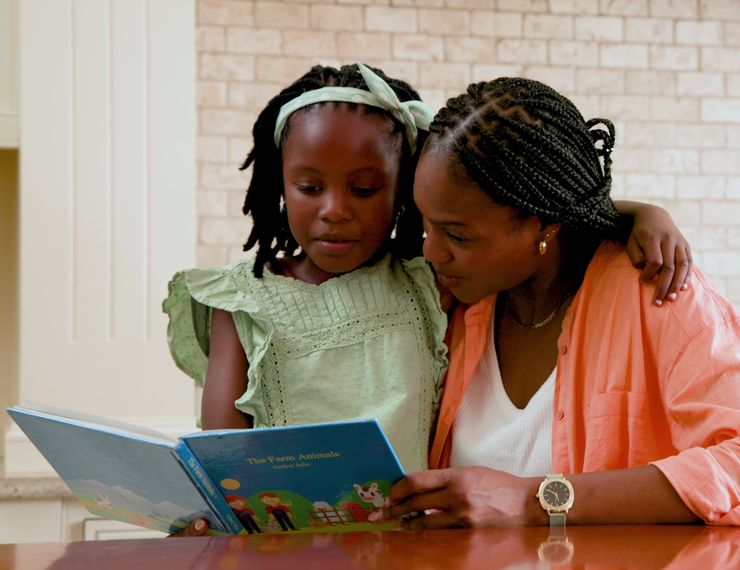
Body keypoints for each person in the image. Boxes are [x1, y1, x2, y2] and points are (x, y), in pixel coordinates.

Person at [163, 64, 694, 477]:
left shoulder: (428, 278)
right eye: (309, 187)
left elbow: (519, 212)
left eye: (365, 189)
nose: (334, 209)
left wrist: (634, 213)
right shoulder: (240, 299)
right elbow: (223, 460)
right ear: (278, 184)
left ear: (405, 191)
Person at [383, 77, 740, 527]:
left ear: (544, 225)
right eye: (428, 226)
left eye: (457, 236)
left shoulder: (658, 292)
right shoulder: (450, 304)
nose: (431, 251)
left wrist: (536, 501)